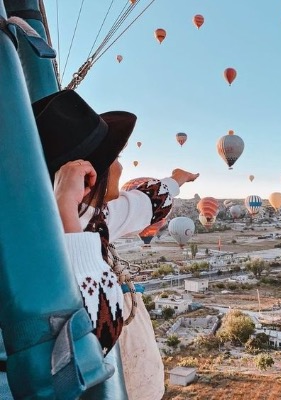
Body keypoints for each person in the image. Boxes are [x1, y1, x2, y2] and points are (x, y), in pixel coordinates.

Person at [32, 89, 199, 398]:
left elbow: (150, 203)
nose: (121, 167)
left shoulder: (98, 214)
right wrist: (65, 211)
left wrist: (177, 180)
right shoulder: (32, 242)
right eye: (115, 158)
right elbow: (99, 334)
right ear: (86, 175)